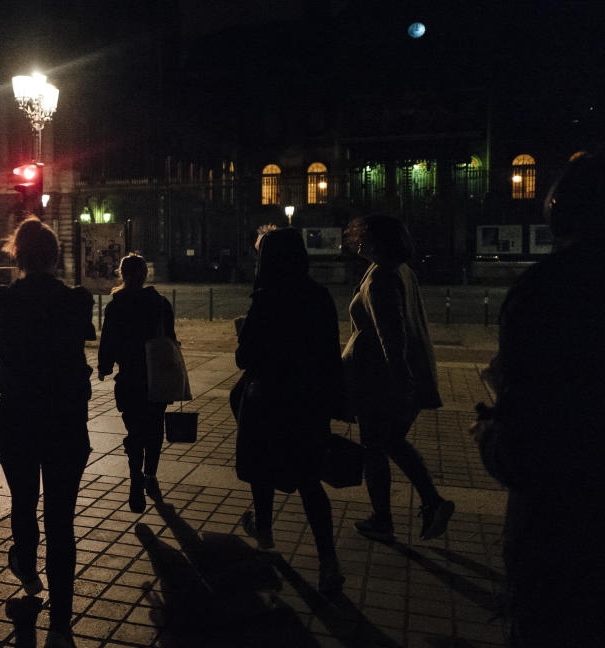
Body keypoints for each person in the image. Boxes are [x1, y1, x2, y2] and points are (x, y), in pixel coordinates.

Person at [471, 155, 605, 647]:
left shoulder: (550, 290)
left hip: (564, 534)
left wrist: (491, 429)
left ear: (557, 210)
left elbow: (529, 446)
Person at [0, 216, 94, 648]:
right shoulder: (77, 300)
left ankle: (28, 570)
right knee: (62, 520)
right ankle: (62, 622)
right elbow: (80, 339)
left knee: (23, 500)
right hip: (65, 419)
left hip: (17, 417)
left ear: (18, 256)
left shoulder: (2, 301)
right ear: (55, 255)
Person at [234, 228, 345, 595]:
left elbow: (245, 358)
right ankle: (328, 562)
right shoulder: (319, 296)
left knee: (263, 474)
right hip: (309, 401)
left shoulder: (266, 299)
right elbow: (330, 353)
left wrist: (243, 334)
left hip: (269, 400)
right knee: (310, 482)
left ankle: (265, 540)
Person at [342, 214, 454, 543]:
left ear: (376, 239)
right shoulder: (399, 270)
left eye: (360, 233)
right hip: (401, 376)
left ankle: (384, 518)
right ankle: (432, 502)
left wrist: (398, 380)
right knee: (392, 442)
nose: (354, 237)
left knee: (374, 448)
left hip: (381, 380)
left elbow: (392, 334)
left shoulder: (381, 278)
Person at [97, 252, 175, 513]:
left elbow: (107, 340)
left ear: (122, 274)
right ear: (145, 275)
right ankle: (150, 475)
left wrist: (104, 367)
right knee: (154, 427)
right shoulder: (161, 304)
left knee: (134, 430)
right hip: (156, 377)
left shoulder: (116, 305)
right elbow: (171, 341)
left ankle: (134, 477)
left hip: (129, 377)